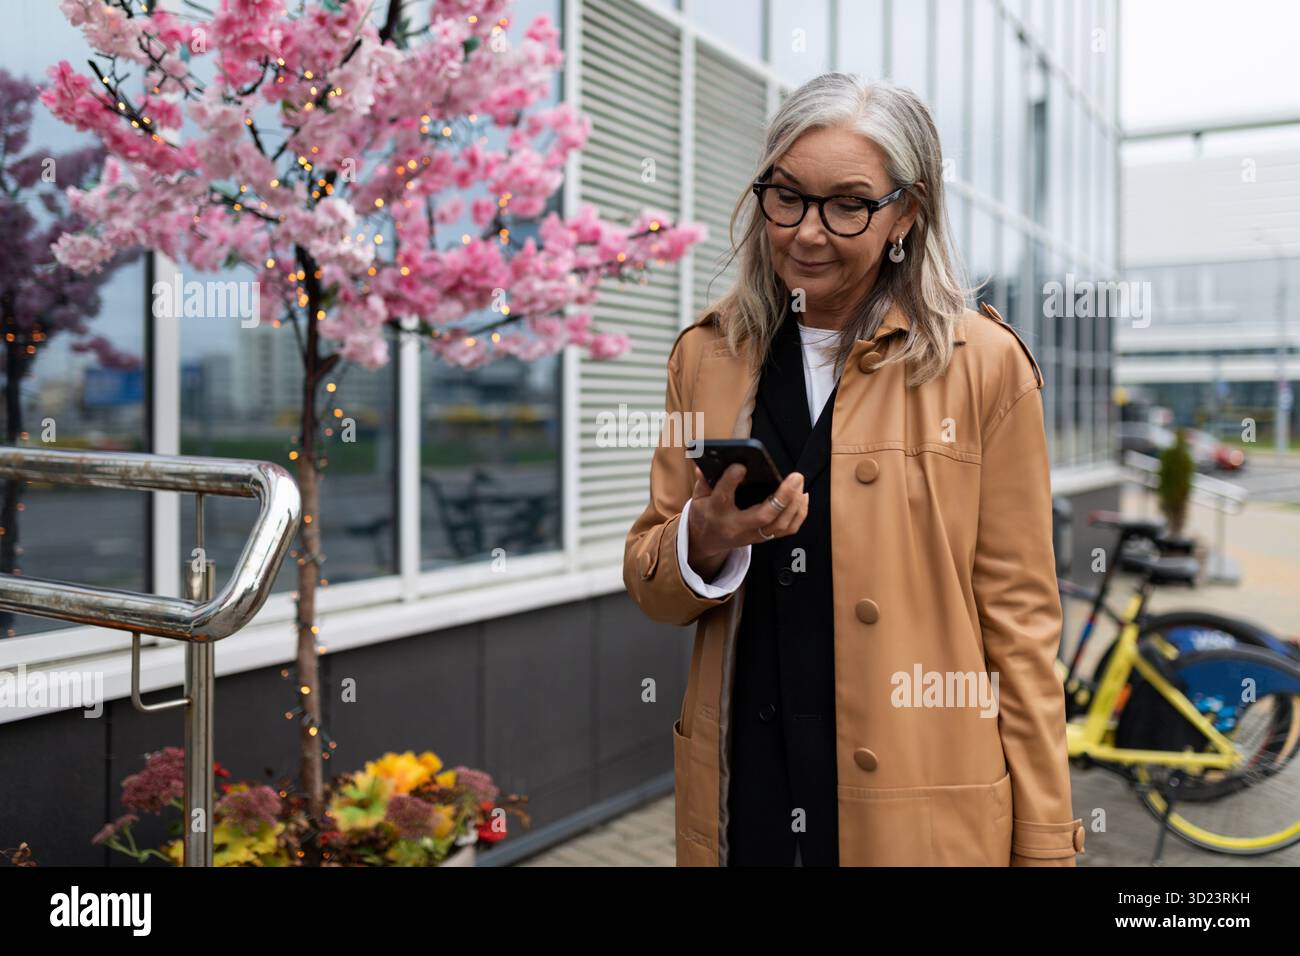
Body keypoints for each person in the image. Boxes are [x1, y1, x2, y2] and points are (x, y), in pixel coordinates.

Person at [623, 73, 1084, 867]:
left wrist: (1044, 842)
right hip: (746, 796)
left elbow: (1022, 630)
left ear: (906, 210)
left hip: (919, 806)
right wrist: (704, 538)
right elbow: (650, 583)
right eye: (788, 197)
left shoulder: (985, 368)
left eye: (848, 204)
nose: (807, 232)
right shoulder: (706, 356)